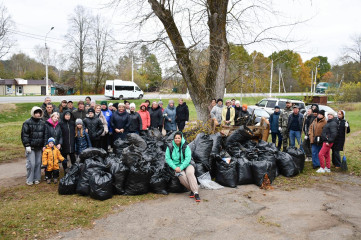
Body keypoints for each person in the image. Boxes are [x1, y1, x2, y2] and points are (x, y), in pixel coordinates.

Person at [165, 131, 200, 202]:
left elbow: (188, 159)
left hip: (188, 164)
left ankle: (196, 193)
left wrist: (181, 167)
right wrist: (175, 167)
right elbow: (168, 159)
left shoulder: (185, 146)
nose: (177, 139)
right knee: (182, 176)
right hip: (176, 167)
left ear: (181, 139)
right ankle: (193, 189)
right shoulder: (170, 147)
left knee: (190, 173)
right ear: (173, 139)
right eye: (175, 138)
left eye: (179, 138)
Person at [21, 106, 46, 185]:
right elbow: (25, 135)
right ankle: (29, 179)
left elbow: (45, 135)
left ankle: (37, 178)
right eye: (36, 113)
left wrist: (44, 145)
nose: (38, 114)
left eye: (39, 113)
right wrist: (27, 145)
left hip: (39, 147)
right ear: (33, 113)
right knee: (31, 163)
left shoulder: (42, 123)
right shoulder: (27, 123)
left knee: (38, 163)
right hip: (31, 147)